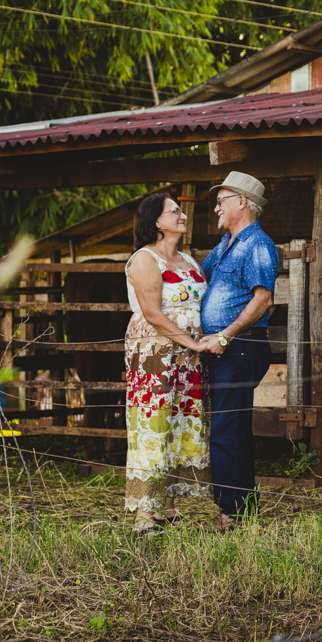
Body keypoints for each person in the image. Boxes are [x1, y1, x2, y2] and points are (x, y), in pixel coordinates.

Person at [124, 193, 211, 534]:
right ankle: (145, 513)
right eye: (174, 211)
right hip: (155, 356)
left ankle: (168, 506)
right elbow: (152, 313)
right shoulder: (144, 259)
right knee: (153, 425)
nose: (182, 215)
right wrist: (193, 342)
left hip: (188, 360)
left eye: (181, 210)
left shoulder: (189, 261)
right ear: (156, 221)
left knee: (178, 426)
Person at [199, 171, 279, 531]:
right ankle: (240, 509)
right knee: (229, 427)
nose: (217, 207)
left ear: (242, 202)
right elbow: (198, 279)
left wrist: (225, 336)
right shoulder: (225, 245)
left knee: (227, 429)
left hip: (239, 346)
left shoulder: (257, 244)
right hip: (225, 348)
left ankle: (233, 514)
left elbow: (263, 299)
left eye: (222, 200)